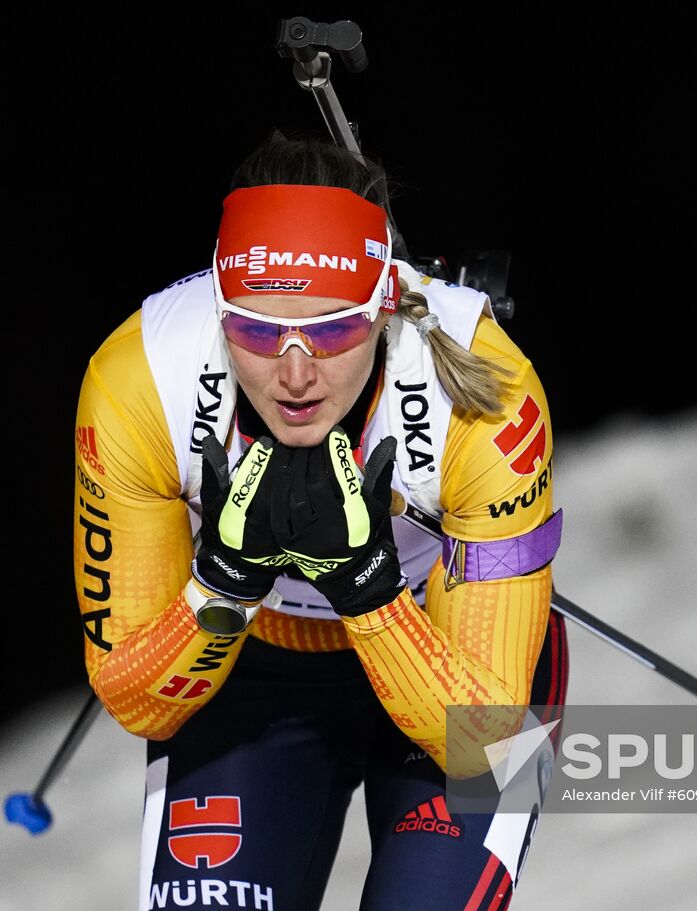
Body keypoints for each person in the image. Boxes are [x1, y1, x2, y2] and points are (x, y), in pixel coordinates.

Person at [73, 133, 567, 911]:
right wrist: (222, 587)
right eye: (258, 330)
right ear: (218, 303)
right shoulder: (140, 379)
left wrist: (369, 594)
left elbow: (488, 737)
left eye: (334, 328)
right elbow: (136, 698)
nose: (296, 373)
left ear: (383, 303)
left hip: (446, 657)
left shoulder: (486, 395)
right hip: (254, 670)